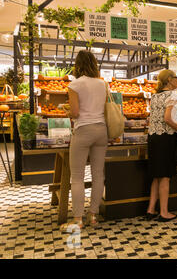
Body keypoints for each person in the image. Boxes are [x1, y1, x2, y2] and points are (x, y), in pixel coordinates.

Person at [61, 50, 108, 230]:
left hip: (83, 130)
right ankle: (93, 216)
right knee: (98, 174)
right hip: (101, 130)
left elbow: (75, 113)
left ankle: (78, 220)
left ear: (77, 64)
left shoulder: (75, 84)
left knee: (78, 177)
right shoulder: (102, 84)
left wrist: (67, 112)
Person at [146, 69, 177, 222]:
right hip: (166, 139)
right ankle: (164, 212)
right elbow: (168, 118)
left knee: (156, 176)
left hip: (153, 137)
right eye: (176, 78)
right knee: (165, 176)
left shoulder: (155, 96)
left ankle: (151, 210)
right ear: (169, 80)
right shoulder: (174, 95)